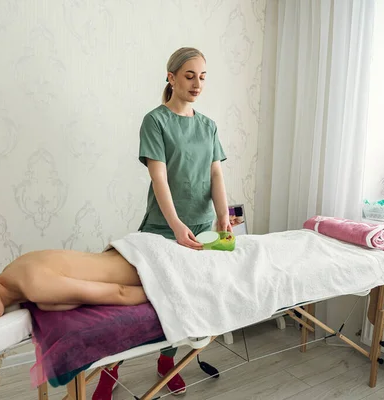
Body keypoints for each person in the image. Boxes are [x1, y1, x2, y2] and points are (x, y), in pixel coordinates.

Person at [92, 47, 232, 399]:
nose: (197, 83)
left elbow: (216, 173)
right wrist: (175, 225)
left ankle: (167, 363)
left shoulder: (208, 125)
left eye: (202, 76)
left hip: (201, 230)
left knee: (182, 301)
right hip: (162, 228)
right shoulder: (155, 121)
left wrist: (222, 215)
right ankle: (110, 371)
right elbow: (160, 179)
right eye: (189, 75)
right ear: (171, 78)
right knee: (140, 306)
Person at [0, 249, 148, 397]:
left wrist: (170, 292)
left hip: (146, 264)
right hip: (129, 254)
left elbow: (120, 292)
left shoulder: (34, 286)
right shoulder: (13, 274)